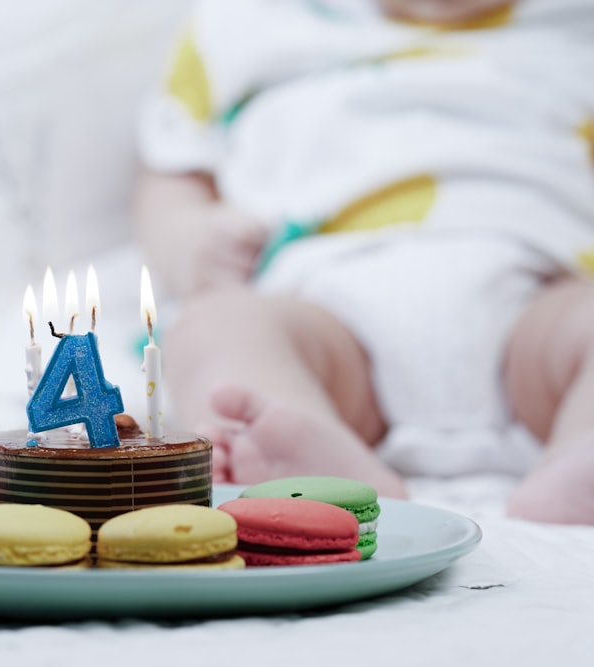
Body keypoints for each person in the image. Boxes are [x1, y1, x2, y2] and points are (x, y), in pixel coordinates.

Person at [133, 0, 594, 524]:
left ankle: (582, 456)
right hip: (325, 315)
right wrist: (188, 239)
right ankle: (305, 452)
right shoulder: (254, 25)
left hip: (536, 310)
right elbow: (174, 166)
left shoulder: (575, 28)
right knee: (214, 325)